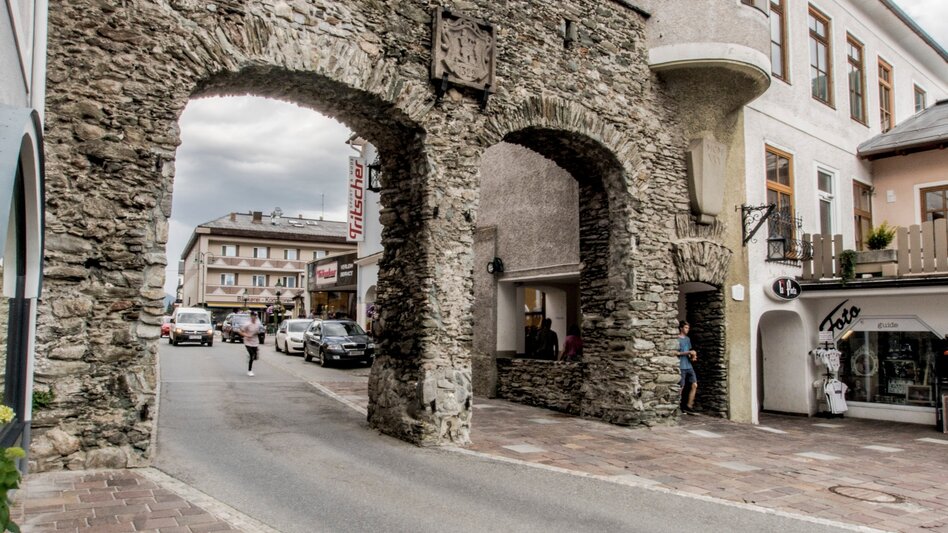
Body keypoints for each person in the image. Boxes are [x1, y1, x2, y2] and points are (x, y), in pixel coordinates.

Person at [677, 320, 698, 413]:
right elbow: (676, 353)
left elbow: (689, 352)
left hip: (689, 366)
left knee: (694, 385)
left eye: (688, 328)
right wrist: (688, 352)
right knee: (681, 387)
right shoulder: (676, 339)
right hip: (681, 366)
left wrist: (693, 356)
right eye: (686, 327)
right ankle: (677, 406)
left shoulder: (687, 339)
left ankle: (689, 405)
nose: (687, 329)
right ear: (681, 328)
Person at [241, 311, 262, 376]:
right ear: (251, 316)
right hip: (247, 342)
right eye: (253, 316)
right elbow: (240, 331)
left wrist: (257, 333)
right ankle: (249, 371)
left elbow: (259, 331)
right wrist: (247, 335)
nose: (254, 317)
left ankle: (254, 354)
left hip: (255, 341)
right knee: (252, 355)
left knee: (255, 357)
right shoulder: (247, 324)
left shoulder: (258, 324)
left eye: (255, 316)